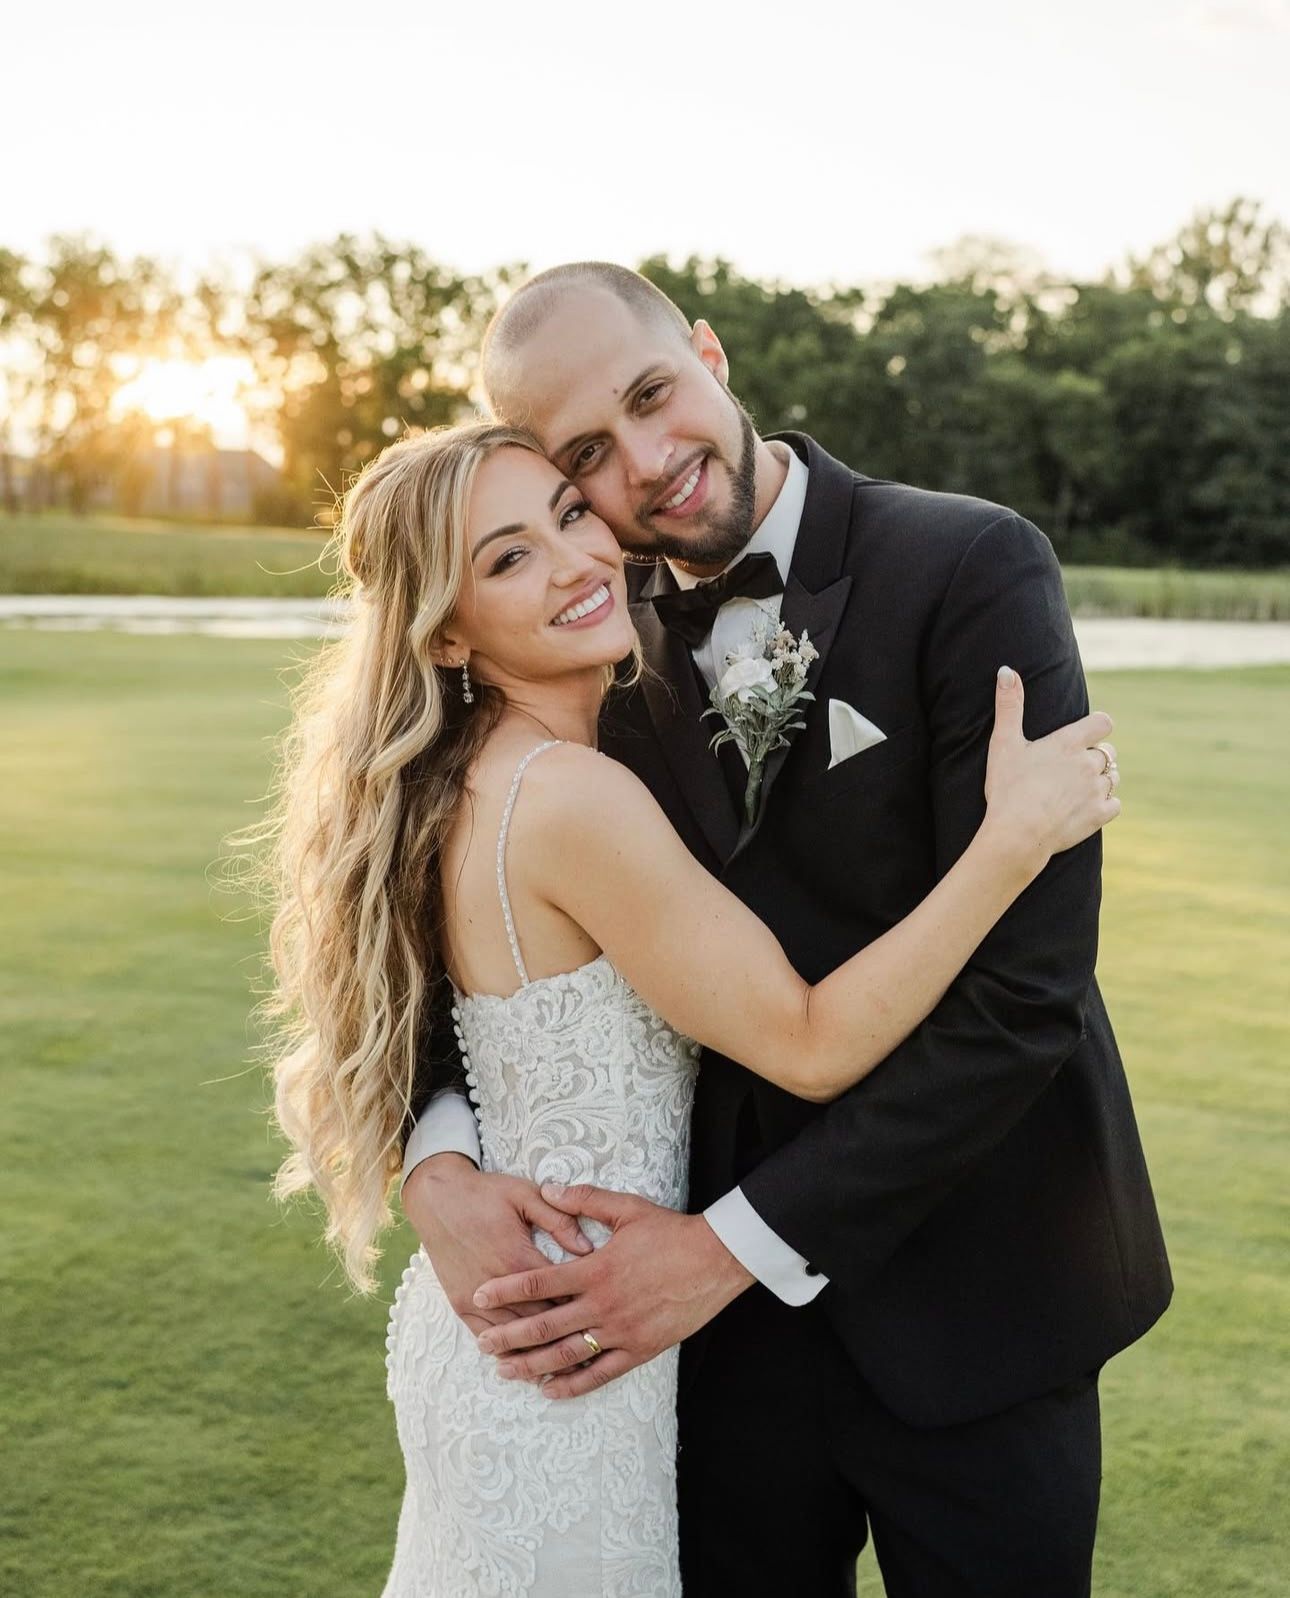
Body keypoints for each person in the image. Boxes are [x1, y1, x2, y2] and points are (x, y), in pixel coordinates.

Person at [398, 265, 1172, 1597]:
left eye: (653, 395)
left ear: (706, 351)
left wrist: (725, 1248)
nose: (645, 462)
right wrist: (439, 1166)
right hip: (712, 1357)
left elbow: (1023, 997)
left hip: (982, 1298)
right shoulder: (585, 623)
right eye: (586, 455)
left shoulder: (969, 564)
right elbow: (435, 945)